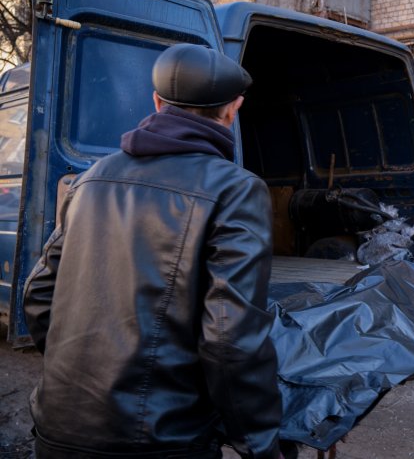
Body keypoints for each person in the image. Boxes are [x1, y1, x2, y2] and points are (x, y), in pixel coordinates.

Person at [23, 44, 284, 458]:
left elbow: (38, 296)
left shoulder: (91, 178)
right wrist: (262, 445)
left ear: (157, 102)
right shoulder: (236, 189)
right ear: (234, 110)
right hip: (160, 440)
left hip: (57, 430)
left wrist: (77, 383)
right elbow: (228, 338)